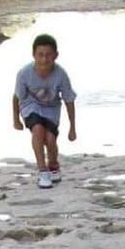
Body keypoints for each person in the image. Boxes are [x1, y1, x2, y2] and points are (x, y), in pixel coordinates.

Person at [12, 33, 77, 188]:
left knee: (50, 140)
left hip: (51, 109)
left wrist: (72, 128)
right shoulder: (24, 73)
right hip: (30, 105)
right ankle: (43, 171)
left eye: (48, 55)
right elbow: (16, 97)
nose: (44, 59)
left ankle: (53, 165)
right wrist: (16, 120)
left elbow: (69, 100)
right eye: (40, 55)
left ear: (56, 56)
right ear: (33, 55)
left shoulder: (61, 74)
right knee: (38, 130)